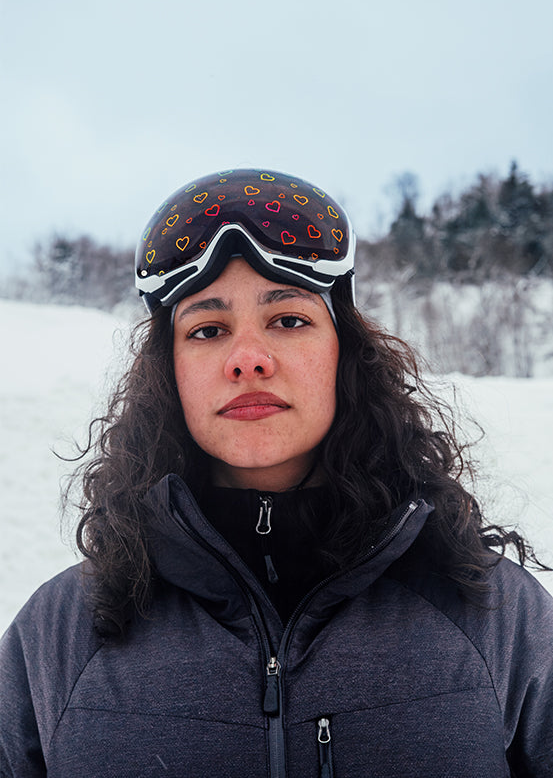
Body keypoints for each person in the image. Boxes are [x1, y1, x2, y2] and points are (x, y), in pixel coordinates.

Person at [1, 168, 552, 777]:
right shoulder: (57, 639)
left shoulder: (499, 620)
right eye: (208, 330)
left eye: (289, 320)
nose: (248, 360)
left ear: (345, 352)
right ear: (168, 372)